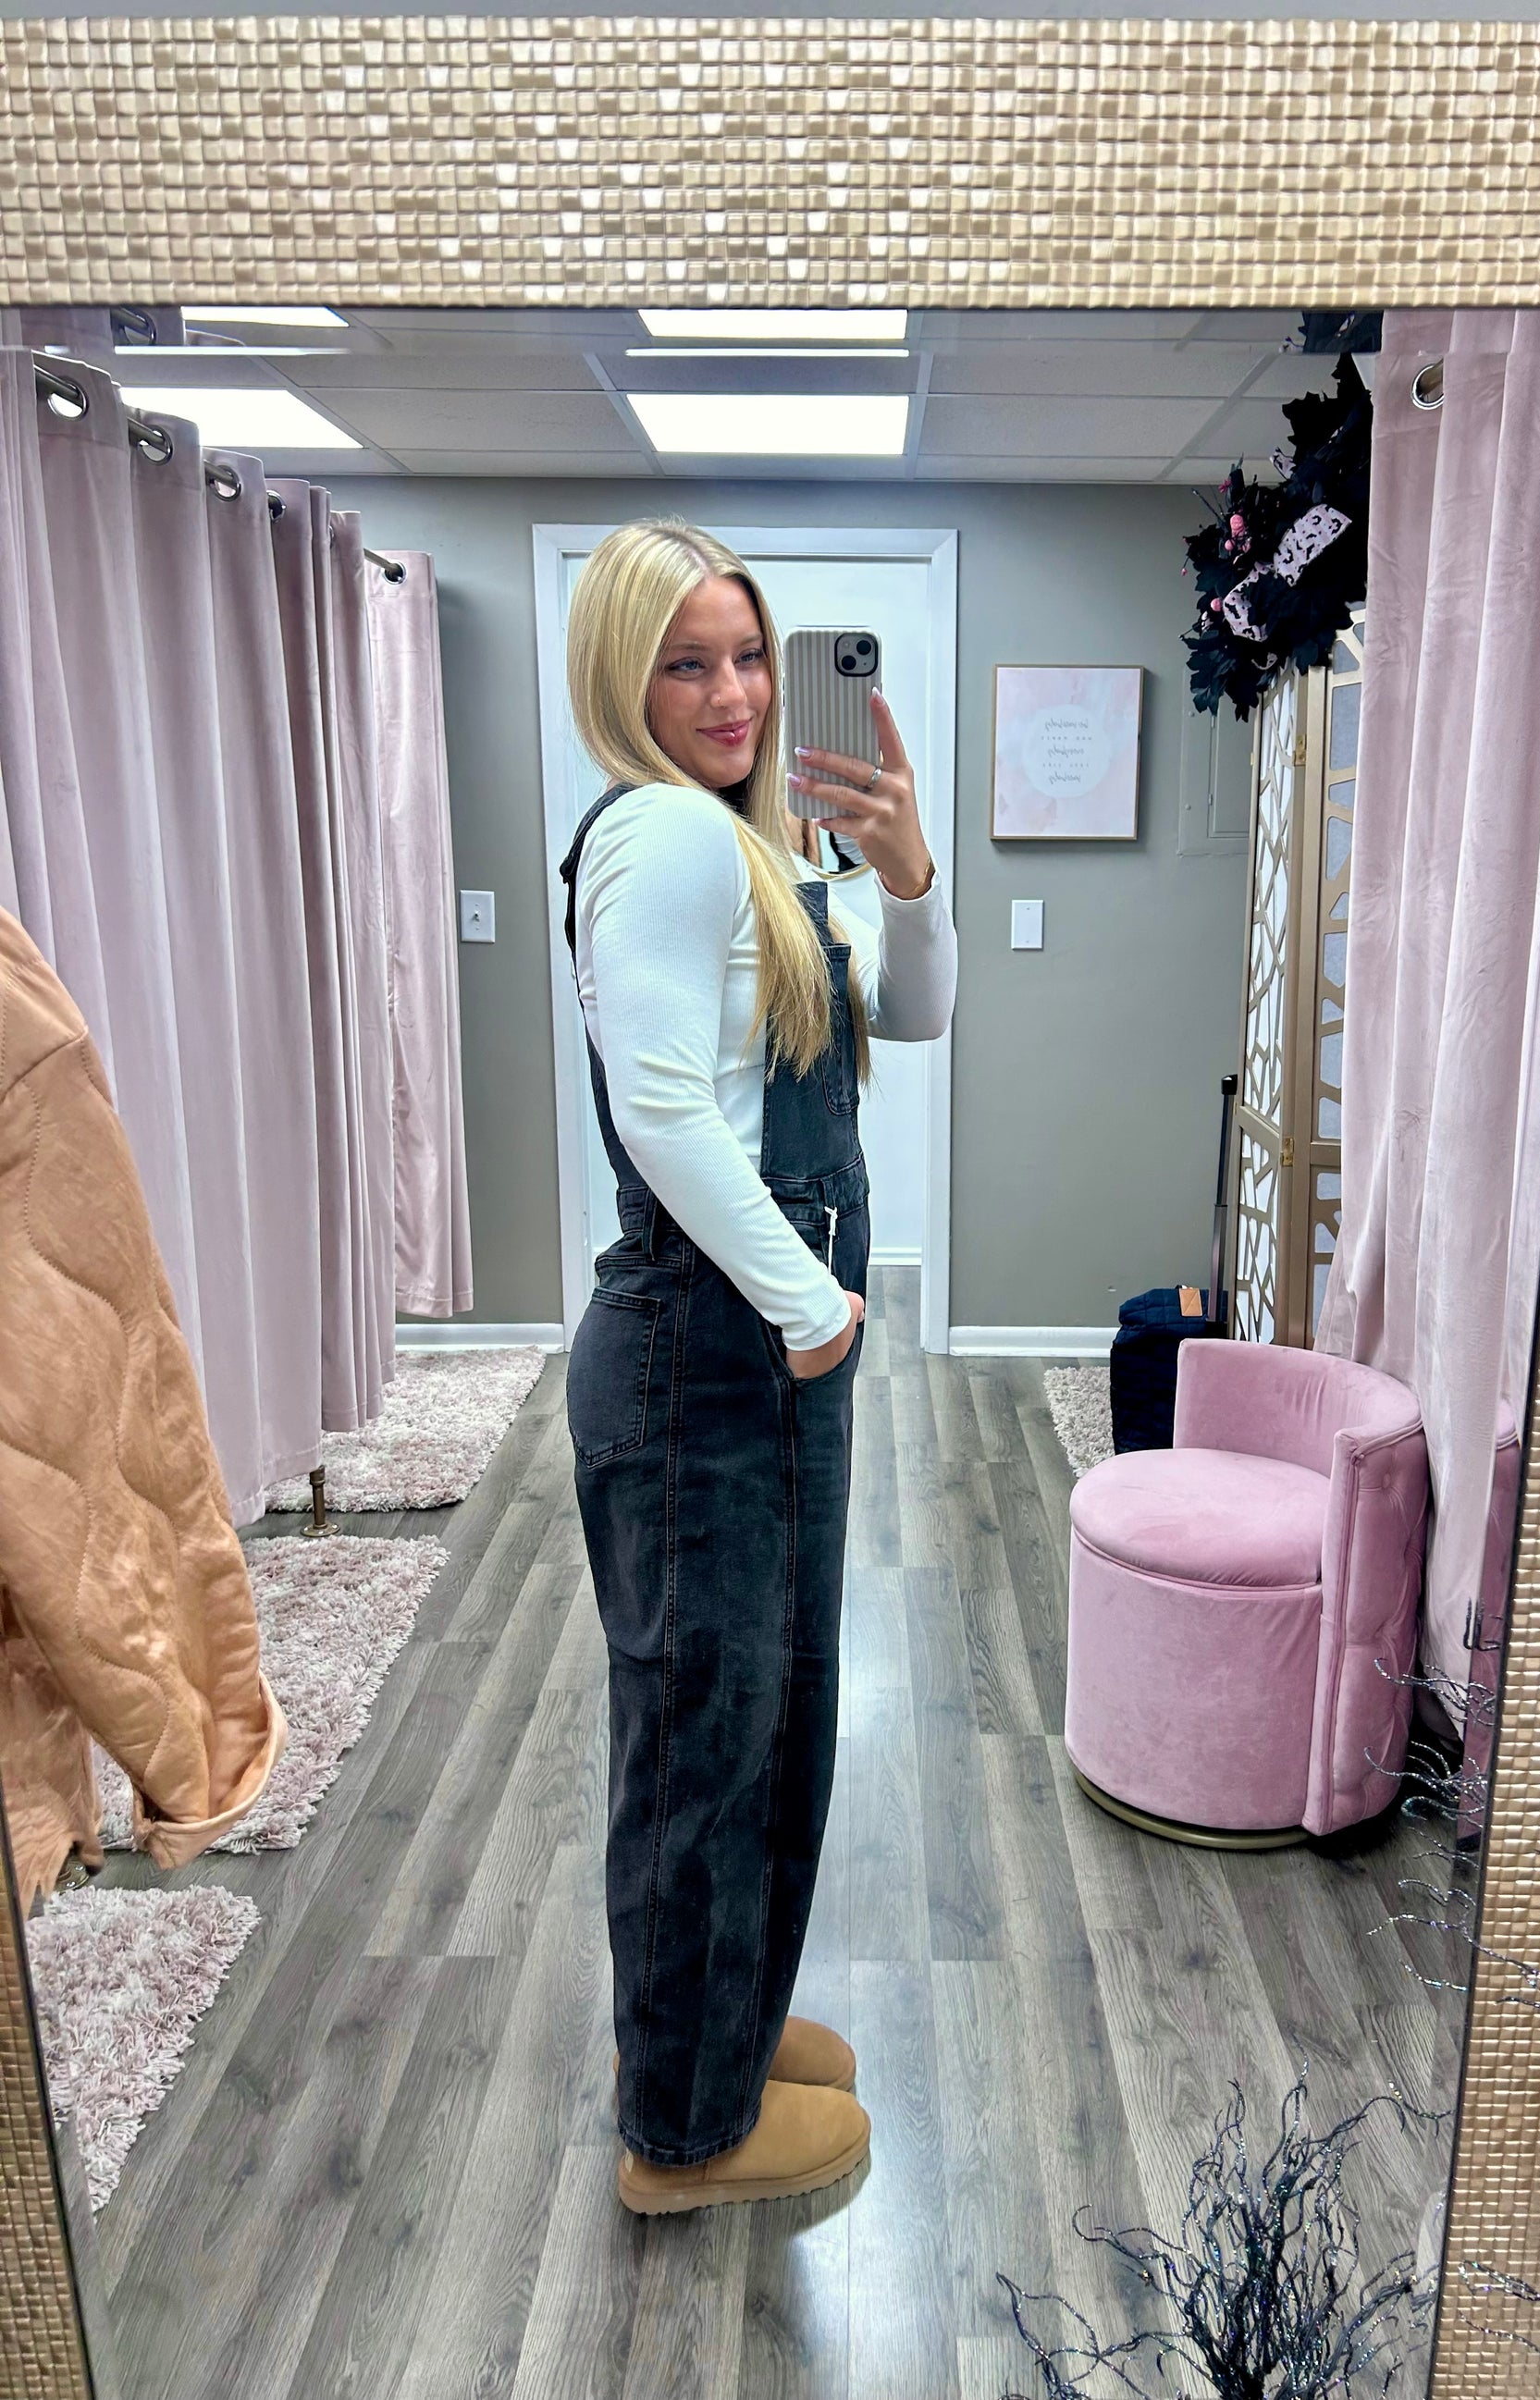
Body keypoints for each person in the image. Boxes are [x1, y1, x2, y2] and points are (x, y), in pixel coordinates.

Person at [558, 521, 956, 2214]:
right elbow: (659, 1107)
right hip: (704, 1356)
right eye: (685, 663)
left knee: (770, 1715)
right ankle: (682, 2135)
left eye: (745, 656)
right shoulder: (661, 832)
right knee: (702, 1740)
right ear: (621, 676)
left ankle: (722, 2031)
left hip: (755, 1351)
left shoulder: (756, 842)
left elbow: (911, 1018)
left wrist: (909, 868)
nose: (730, 694)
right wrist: (809, 1306)